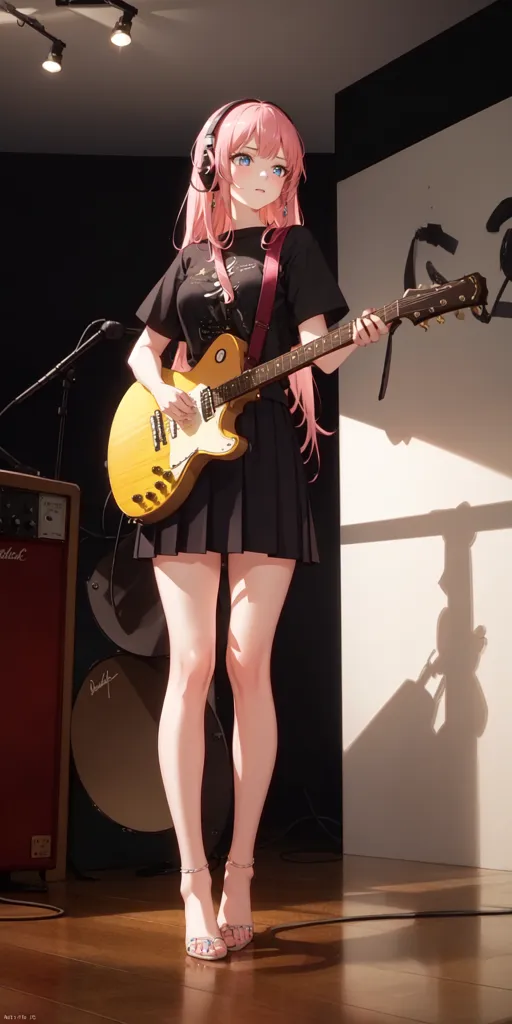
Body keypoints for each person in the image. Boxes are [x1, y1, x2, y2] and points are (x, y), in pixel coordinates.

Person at [127, 99, 388, 961]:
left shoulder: (295, 251)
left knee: (247, 663)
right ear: (216, 165)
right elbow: (143, 347)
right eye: (248, 161)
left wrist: (360, 337)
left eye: (278, 167)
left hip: (267, 454)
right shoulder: (191, 261)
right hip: (183, 463)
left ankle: (241, 870)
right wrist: (163, 389)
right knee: (192, 665)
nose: (264, 178)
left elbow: (323, 345)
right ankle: (192, 881)